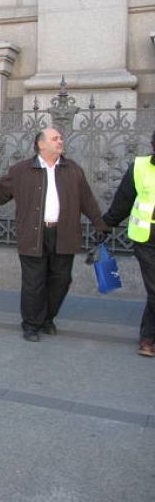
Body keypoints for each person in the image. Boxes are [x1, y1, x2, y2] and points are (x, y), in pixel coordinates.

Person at [0, 127, 108, 342]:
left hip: (64, 233)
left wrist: (100, 224)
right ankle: (31, 324)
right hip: (33, 234)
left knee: (61, 280)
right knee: (34, 282)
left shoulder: (73, 169)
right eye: (55, 138)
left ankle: (47, 318)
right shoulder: (21, 171)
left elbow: (87, 199)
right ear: (41, 144)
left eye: (61, 138)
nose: (60, 141)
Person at [101, 131, 155, 357]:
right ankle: (148, 338)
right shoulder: (140, 167)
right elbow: (123, 201)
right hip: (147, 237)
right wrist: (104, 226)